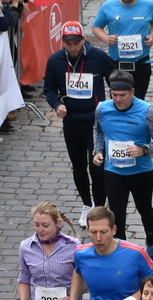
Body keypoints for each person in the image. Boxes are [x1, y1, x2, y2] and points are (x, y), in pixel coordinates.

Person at [44, 22, 116, 224]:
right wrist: (57, 104)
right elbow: (49, 89)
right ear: (63, 43)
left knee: (97, 167)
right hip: (72, 123)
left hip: (96, 124)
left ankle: (99, 207)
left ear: (83, 40)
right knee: (78, 166)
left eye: (76, 43)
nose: (73, 47)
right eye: (69, 44)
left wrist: (114, 100)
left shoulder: (98, 57)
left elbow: (114, 77)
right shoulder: (55, 61)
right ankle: (86, 204)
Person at [93, 72, 153, 261]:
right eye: (114, 94)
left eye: (123, 95)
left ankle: (151, 240)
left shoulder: (146, 111)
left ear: (132, 92)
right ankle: (123, 252)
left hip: (141, 172)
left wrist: (144, 149)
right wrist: (97, 151)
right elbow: (98, 131)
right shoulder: (102, 108)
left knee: (145, 210)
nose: (118, 99)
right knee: (117, 214)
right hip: (114, 171)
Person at [93, 0, 153, 100]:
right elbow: (96, 27)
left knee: (138, 101)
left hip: (141, 63)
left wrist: (152, 36)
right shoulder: (108, 6)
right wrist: (105, 38)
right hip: (117, 65)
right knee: (119, 100)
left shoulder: (148, 5)